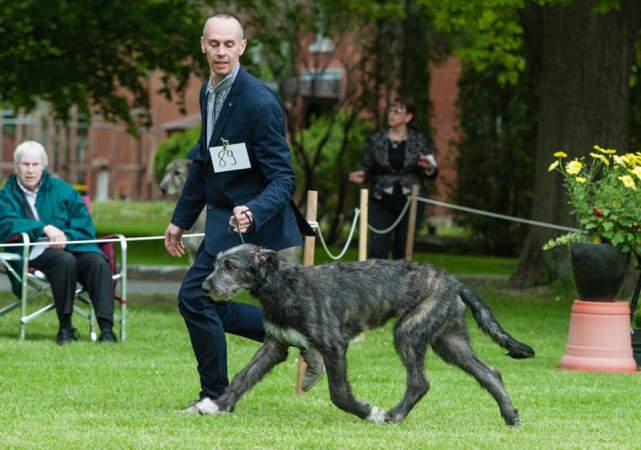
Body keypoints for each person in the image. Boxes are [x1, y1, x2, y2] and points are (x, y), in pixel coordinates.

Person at [164, 12, 323, 413]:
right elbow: (204, 163)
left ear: (242, 47)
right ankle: (303, 336)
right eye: (214, 44)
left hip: (250, 219)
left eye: (229, 44)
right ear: (203, 45)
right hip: (221, 215)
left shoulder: (259, 101)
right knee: (205, 303)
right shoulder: (208, 92)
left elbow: (284, 179)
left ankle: (215, 397)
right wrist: (180, 220)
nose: (221, 51)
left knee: (195, 298)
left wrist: (252, 210)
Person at [0, 141, 117, 345]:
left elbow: (85, 226)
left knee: (97, 262)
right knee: (64, 261)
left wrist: (64, 237)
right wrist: (43, 228)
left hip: (74, 245)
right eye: (25, 164)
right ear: (16, 167)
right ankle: (66, 328)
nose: (30, 170)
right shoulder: (6, 196)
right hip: (33, 252)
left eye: (35, 164)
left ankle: (107, 330)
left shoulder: (63, 191)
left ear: (43, 166)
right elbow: (7, 224)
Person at [349, 98, 439, 260]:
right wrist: (363, 174)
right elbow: (368, 167)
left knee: (403, 251)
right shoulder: (376, 140)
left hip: (410, 201)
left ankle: (401, 285)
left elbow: (433, 172)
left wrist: (428, 167)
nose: (392, 114)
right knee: (377, 249)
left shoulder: (420, 140)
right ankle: (375, 285)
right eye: (390, 110)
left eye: (397, 111)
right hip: (381, 199)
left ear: (408, 117)